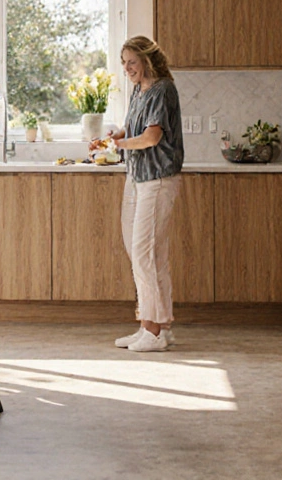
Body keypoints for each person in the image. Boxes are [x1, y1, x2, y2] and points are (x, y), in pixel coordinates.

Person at [103, 36, 185, 353]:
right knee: (150, 253)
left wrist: (119, 146)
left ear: (148, 61)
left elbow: (151, 137)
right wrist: (115, 136)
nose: (126, 68)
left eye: (132, 62)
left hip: (158, 178)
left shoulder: (163, 89)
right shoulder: (140, 90)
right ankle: (156, 327)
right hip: (137, 177)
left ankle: (152, 330)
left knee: (144, 253)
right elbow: (131, 128)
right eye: (123, 62)